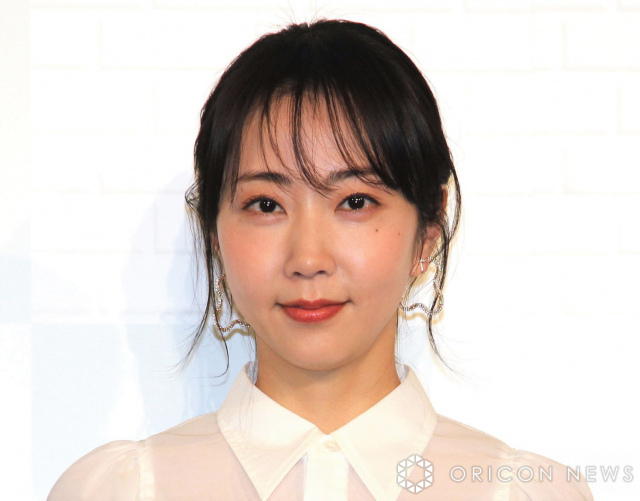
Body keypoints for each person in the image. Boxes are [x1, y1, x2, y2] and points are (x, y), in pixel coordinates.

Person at [48, 19, 593, 500]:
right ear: (213, 233)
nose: (308, 259)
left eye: (355, 202)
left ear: (427, 232)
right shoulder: (120, 491)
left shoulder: (521, 492)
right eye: (266, 205)